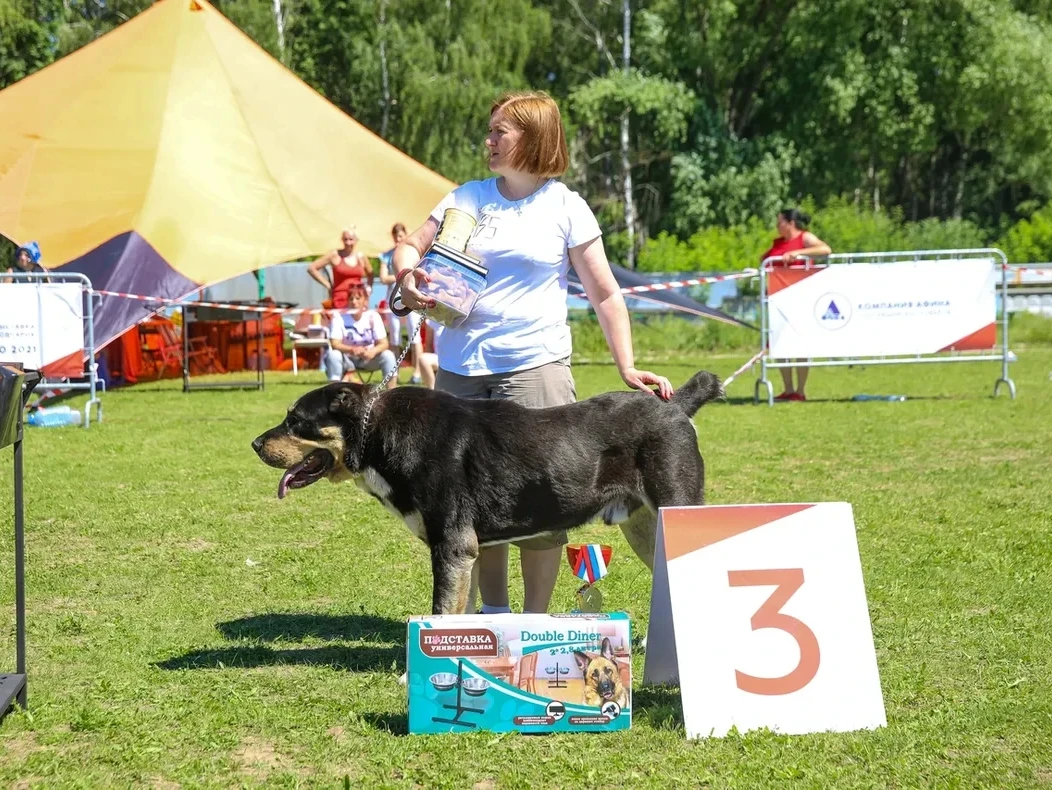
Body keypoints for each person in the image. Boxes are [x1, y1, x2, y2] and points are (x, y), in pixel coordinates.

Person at [393, 90, 673, 616]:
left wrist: (627, 365)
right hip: (460, 374)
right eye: (491, 129)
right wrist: (408, 274)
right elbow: (409, 244)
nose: (489, 140)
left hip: (535, 369)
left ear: (535, 137)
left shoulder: (567, 207)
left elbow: (606, 293)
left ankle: (536, 623)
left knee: (545, 496)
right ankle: (494, 619)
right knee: (470, 504)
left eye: (501, 130)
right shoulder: (465, 198)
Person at [760, 208, 832, 402]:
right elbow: (765, 260)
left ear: (790, 223)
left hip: (800, 299)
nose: (777, 226)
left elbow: (825, 250)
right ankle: (788, 389)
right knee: (781, 344)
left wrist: (798, 253)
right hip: (778, 300)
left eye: (780, 222)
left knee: (800, 345)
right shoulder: (778, 243)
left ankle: (800, 391)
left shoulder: (804, 238)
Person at [324, 286, 398, 389]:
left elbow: (384, 343)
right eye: (351, 299)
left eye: (358, 298)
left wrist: (373, 351)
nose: (354, 302)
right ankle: (333, 391)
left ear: (365, 300)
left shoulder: (373, 316)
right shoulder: (339, 317)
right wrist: (352, 349)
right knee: (333, 355)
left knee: (388, 355)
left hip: (369, 358)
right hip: (347, 359)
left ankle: (391, 393)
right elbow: (335, 344)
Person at [378, 222, 423, 383]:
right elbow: (383, 277)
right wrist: (404, 276)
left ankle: (418, 371)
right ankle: (394, 371)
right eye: (397, 237)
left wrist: (402, 276)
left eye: (402, 236)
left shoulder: (412, 253)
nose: (399, 239)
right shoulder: (386, 255)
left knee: (414, 335)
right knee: (394, 337)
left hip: (410, 295)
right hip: (394, 298)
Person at [308, 227, 374, 309]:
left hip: (358, 300)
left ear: (356, 240)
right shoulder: (335, 255)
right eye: (345, 239)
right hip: (340, 299)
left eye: (351, 239)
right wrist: (328, 285)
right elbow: (312, 268)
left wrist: (368, 289)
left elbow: (370, 274)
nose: (348, 242)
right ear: (342, 240)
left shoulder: (361, 257)